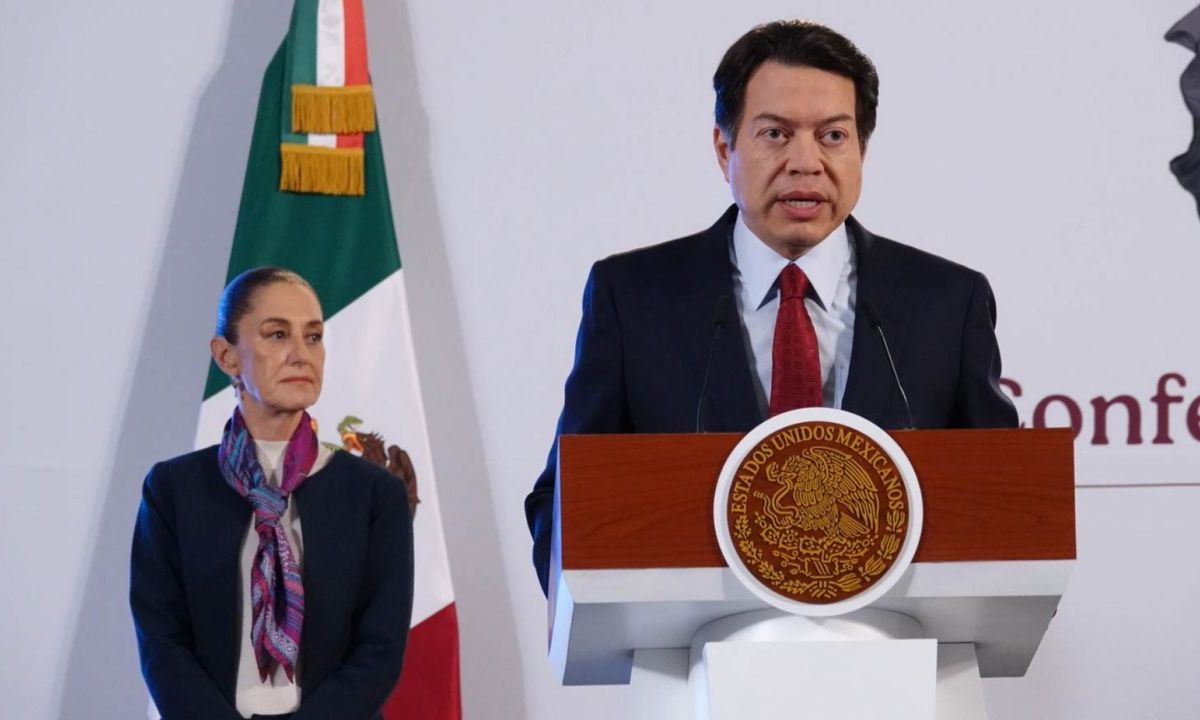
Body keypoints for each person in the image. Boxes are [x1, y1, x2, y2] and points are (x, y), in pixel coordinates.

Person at [524, 20, 1018, 595]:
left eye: (833, 135)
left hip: (894, 664)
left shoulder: (948, 303)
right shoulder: (635, 297)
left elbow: (1002, 504)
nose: (805, 162)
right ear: (723, 147)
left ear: (862, 148)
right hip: (700, 667)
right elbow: (566, 500)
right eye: (776, 134)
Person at [130, 267, 414, 720]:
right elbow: (162, 644)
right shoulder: (172, 490)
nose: (302, 355)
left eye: (314, 337)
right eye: (277, 335)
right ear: (226, 356)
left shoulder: (375, 494)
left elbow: (379, 650)